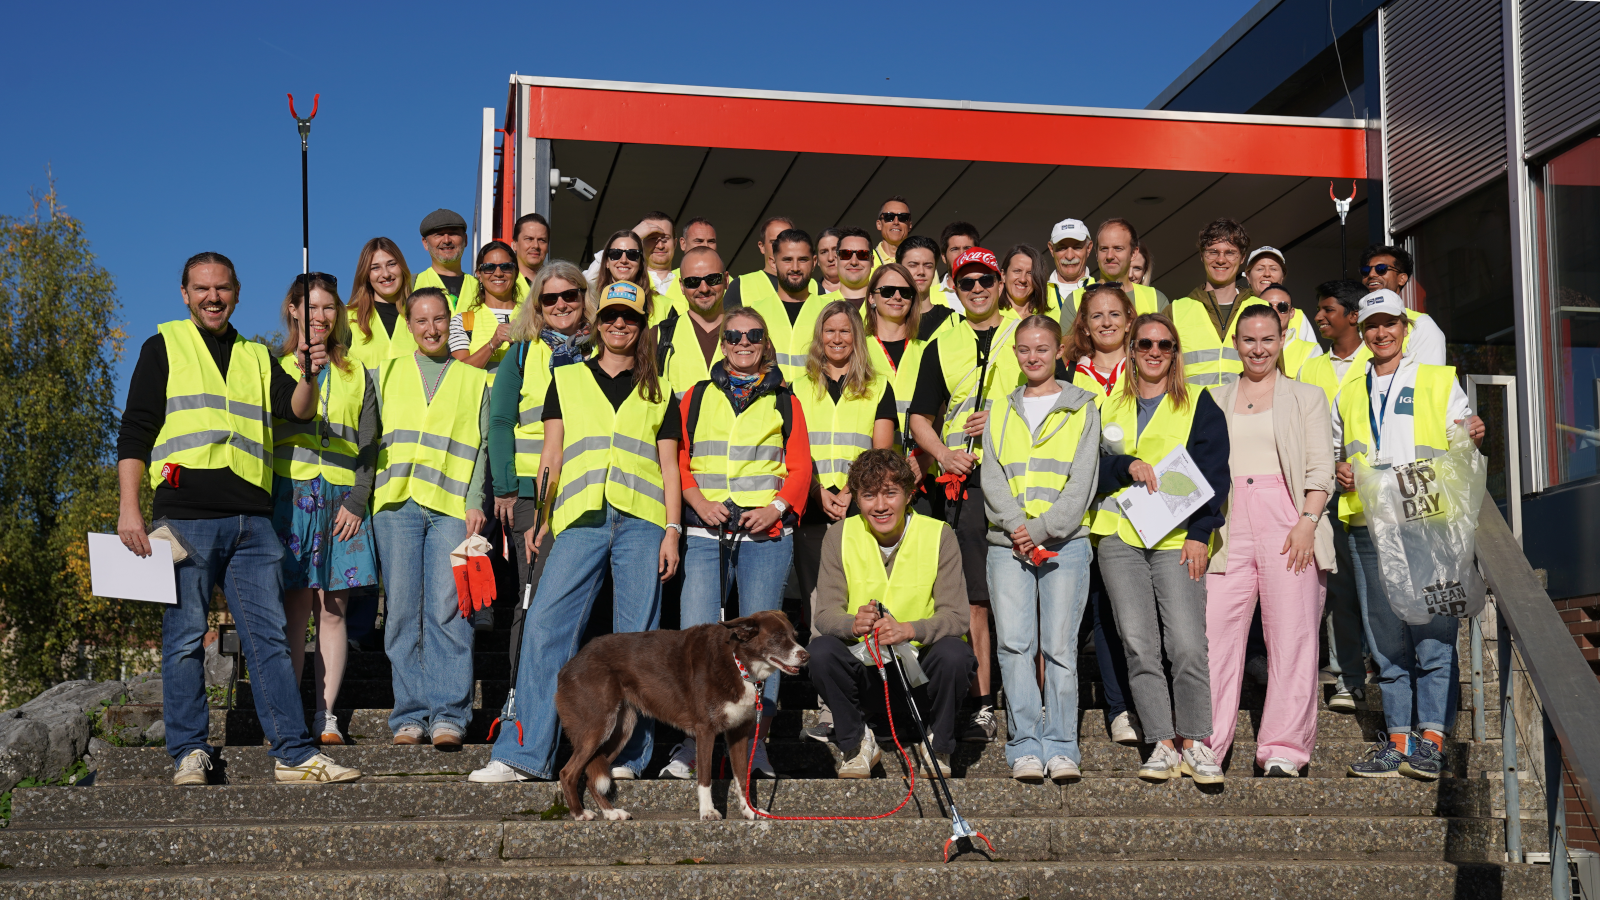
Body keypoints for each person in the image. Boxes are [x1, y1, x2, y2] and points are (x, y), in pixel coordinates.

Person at [116, 252, 360, 785]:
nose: (213, 297)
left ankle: (293, 754)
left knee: (269, 638)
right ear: (185, 294)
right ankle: (189, 751)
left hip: (253, 521)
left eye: (222, 288)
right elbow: (135, 430)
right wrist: (128, 506)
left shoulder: (257, 356)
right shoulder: (162, 347)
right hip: (184, 518)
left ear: (237, 293)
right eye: (202, 288)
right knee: (185, 638)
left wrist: (309, 373)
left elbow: (297, 409)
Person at [470, 281, 682, 784]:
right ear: (598, 323)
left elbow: (670, 468)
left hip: (642, 523)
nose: (619, 324)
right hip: (578, 521)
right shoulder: (565, 379)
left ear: (641, 326)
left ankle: (627, 757)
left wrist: (673, 530)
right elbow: (552, 455)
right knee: (544, 628)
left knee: (637, 641)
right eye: (610, 316)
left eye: (629, 317)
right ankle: (521, 755)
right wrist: (542, 517)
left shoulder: (660, 390)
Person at [1335, 289, 1484, 780]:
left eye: (1390, 324)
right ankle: (1398, 742)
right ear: (1362, 331)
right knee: (1385, 641)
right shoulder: (1348, 390)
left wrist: (1473, 430)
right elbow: (1338, 450)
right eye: (1372, 325)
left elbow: (1463, 433)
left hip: (1426, 520)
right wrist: (1341, 471)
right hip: (1368, 526)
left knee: (1434, 636)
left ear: (1405, 328)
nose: (1381, 333)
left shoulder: (1437, 380)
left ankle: (1432, 741)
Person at [665, 305, 812, 780]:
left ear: (766, 342)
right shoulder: (696, 395)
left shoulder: (786, 400)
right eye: (733, 336)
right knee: (696, 639)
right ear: (722, 343)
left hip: (765, 533)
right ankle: (694, 743)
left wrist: (777, 508)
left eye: (753, 335)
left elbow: (801, 467)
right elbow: (679, 458)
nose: (743, 343)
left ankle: (755, 746)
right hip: (706, 529)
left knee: (769, 646)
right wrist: (697, 501)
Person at [1093, 313, 1229, 784]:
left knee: (1187, 643)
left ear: (1175, 353)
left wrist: (1201, 533)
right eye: (1145, 344)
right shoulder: (1107, 403)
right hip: (1119, 538)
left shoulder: (1198, 404)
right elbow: (1091, 468)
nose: (1154, 351)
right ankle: (1162, 743)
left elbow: (1214, 475)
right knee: (1138, 644)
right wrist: (1125, 465)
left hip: (1177, 540)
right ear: (1131, 350)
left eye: (1164, 345)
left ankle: (1195, 740)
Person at [1202, 304, 1335, 778]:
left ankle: (1284, 748)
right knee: (1214, 634)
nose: (1258, 349)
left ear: (1281, 341)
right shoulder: (1214, 397)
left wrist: (1307, 521)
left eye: (1267, 339)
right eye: (1249, 340)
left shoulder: (1307, 396)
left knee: (1292, 636)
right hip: (1228, 522)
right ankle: (1206, 744)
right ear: (1236, 343)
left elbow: (1321, 466)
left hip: (1290, 518)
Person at [908, 247, 1026, 744]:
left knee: (1006, 600)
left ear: (1000, 284)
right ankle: (969, 702)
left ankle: (997, 704)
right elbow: (919, 417)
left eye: (984, 281)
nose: (976, 289)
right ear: (954, 289)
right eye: (966, 282)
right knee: (967, 597)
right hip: (961, 486)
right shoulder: (941, 342)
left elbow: (1054, 401)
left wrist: (1002, 417)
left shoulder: (1026, 334)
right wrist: (943, 454)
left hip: (1018, 484)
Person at [981, 315, 1100, 782]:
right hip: (1008, 543)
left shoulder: (1083, 408)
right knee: (1014, 645)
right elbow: (992, 476)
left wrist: (1043, 528)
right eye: (1025, 349)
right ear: (1015, 354)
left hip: (1064, 544)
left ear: (1058, 352)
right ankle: (1025, 744)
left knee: (1059, 648)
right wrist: (1018, 527)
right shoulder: (1000, 410)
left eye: (1042, 348)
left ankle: (1062, 745)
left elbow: (1082, 481)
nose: (1033, 357)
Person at [371, 287, 491, 748]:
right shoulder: (385, 373)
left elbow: (482, 445)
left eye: (439, 319)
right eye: (421, 320)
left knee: (449, 611)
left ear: (450, 322)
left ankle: (449, 716)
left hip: (452, 506)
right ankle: (410, 715)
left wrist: (476, 500)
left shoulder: (474, 379)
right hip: (395, 504)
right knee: (402, 612)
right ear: (409, 325)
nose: (431, 328)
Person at [807, 449, 975, 778]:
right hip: (869, 677)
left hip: (920, 676)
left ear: (909, 494)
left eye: (890, 493)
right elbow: (825, 614)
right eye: (869, 495)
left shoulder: (939, 534)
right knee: (821, 650)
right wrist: (852, 624)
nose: (880, 505)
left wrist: (909, 629)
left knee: (956, 653)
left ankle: (938, 744)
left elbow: (957, 617)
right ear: (856, 499)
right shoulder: (838, 535)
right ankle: (857, 742)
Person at [271, 273, 381, 746]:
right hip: (291, 496)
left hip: (341, 501)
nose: (320, 316)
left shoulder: (358, 371)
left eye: (328, 307)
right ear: (293, 310)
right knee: (295, 610)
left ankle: (327, 714)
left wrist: (358, 500)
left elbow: (370, 444)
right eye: (311, 307)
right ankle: (290, 713)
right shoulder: (271, 365)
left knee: (332, 610)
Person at [487, 261, 593, 700]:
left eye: (570, 295)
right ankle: (524, 699)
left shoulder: (603, 347)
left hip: (588, 489)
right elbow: (499, 421)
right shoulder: (523, 351)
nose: (561, 304)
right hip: (534, 494)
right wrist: (507, 488)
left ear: (584, 297)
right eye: (550, 298)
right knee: (535, 597)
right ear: (537, 304)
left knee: (582, 601)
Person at [1060, 284, 1140, 743]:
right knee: (1079, 616)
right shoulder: (1069, 374)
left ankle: (1122, 709)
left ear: (1129, 320)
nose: (1106, 322)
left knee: (1119, 617)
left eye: (1115, 314)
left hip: (1134, 516)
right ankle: (1064, 710)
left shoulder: (1147, 367)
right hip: (1078, 517)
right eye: (1097, 316)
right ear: (1085, 326)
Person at [792, 300, 897, 608]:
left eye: (845, 331)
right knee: (816, 604)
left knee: (860, 600)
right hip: (811, 507)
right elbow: (791, 451)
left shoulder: (879, 387)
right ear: (819, 336)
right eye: (829, 331)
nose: (837, 339)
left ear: (856, 337)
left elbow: (881, 453)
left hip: (860, 508)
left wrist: (850, 492)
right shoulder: (797, 387)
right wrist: (816, 491)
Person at [1298, 279, 1372, 711]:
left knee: (1378, 588)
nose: (1319, 317)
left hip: (1374, 491)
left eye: (1328, 310)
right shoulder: (1310, 368)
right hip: (1325, 491)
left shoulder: (1378, 360)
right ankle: (1348, 678)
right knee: (1339, 587)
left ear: (1353, 315)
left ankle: (1386, 670)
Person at [1167, 218, 1269, 387]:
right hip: (1193, 404)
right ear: (1202, 255)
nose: (1221, 260)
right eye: (1213, 252)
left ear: (1242, 258)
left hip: (1248, 403)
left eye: (1230, 253)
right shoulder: (1175, 311)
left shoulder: (1262, 309)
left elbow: (1275, 371)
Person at [725, 228, 822, 381]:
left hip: (818, 396)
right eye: (787, 260)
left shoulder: (831, 310)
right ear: (773, 263)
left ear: (814, 262)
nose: (795, 267)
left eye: (803, 260)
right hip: (769, 396)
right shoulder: (755, 313)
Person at [657, 247, 730, 397]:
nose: (704, 288)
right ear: (681, 286)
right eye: (693, 282)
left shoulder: (752, 335)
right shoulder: (658, 337)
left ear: (726, 280)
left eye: (712, 279)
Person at [1358, 245, 1447, 365]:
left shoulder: (1421, 325)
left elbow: (1429, 375)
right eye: (1365, 270)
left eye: (1381, 269)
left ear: (1402, 279)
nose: (1371, 274)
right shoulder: (1354, 323)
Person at [451, 240, 526, 383]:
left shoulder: (534, 317)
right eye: (489, 267)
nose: (498, 273)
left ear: (516, 272)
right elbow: (458, 373)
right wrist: (492, 344)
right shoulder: (462, 321)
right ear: (479, 274)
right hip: (479, 397)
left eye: (506, 267)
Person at [347, 237, 418, 371]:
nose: (386, 274)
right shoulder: (347, 317)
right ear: (366, 275)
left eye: (391, 264)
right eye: (375, 268)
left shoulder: (420, 314)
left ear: (402, 267)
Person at [1071, 219, 1166, 316]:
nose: (1109, 256)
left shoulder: (1156, 299)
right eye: (1104, 249)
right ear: (1096, 253)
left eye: (1118, 248)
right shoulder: (1075, 300)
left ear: (1133, 253)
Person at [1244, 247, 1316, 343]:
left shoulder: (1298, 316)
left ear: (1282, 276)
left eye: (1273, 269)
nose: (1267, 274)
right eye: (1260, 269)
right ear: (1248, 276)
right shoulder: (1237, 309)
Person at [725, 215, 797, 309]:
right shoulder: (739, 286)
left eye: (787, 241)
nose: (781, 247)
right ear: (762, 247)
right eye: (774, 242)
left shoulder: (813, 286)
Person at [592, 230, 660, 325]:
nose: (623, 260)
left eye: (632, 254)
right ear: (606, 262)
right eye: (615, 253)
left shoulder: (662, 304)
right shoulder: (590, 301)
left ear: (641, 263)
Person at [414, 209, 476, 310]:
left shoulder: (482, 288)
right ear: (425, 243)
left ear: (465, 240)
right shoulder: (410, 285)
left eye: (453, 233)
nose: (446, 240)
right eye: (438, 234)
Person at [897, 235, 957, 338]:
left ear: (934, 270)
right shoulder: (884, 321)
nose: (921, 272)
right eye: (913, 265)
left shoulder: (954, 321)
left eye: (928, 266)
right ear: (899, 268)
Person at [1259, 282, 1323, 378]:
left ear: (1292, 313)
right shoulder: (1244, 346)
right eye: (1267, 307)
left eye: (1282, 307)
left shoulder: (1310, 350)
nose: (1274, 312)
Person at [1044, 219, 1093, 315]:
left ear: (1088, 248)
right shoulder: (1038, 295)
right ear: (1051, 249)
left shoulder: (1100, 290)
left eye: (1077, 247)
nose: (1069, 256)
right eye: (1062, 248)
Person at [999, 245, 1050, 320]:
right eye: (1017, 271)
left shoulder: (1051, 316)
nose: (1023, 279)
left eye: (1030, 273)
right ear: (1003, 275)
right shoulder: (991, 315)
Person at [828, 228, 874, 305]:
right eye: (846, 254)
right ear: (836, 260)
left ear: (872, 261)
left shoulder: (887, 303)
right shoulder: (817, 304)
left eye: (862, 254)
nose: (854, 262)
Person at [937, 221, 980, 302]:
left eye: (967, 248)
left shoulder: (992, 293)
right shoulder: (926, 297)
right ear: (944, 257)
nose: (961, 255)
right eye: (955, 249)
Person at [873, 197, 913, 271]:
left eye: (903, 217)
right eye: (889, 217)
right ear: (879, 224)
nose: (896, 222)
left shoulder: (921, 262)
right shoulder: (865, 260)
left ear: (910, 225)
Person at [512, 213, 550, 283]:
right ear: (514, 244)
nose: (536, 245)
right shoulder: (506, 284)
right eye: (529, 239)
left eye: (542, 240)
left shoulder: (556, 284)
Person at [815, 227, 844, 295]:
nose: (830, 258)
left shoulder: (864, 290)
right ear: (817, 260)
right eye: (824, 252)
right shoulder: (808, 294)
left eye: (835, 250)